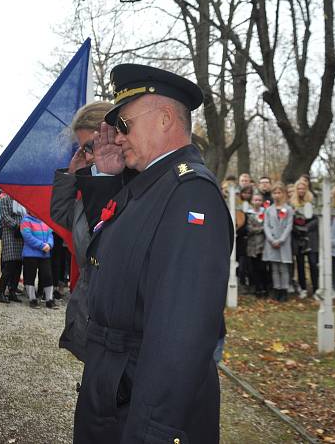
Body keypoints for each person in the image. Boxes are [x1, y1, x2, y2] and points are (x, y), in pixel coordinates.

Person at [72, 64, 232, 443]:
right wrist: (108, 176)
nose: (117, 137)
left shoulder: (189, 193)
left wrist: (153, 432)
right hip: (115, 386)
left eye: (124, 124)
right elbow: (108, 252)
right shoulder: (149, 184)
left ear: (164, 119)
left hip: (139, 401)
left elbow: (181, 335)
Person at [51, 100, 114, 361]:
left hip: (113, 322)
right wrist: (71, 176)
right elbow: (62, 215)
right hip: (90, 313)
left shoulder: (133, 188)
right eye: (81, 148)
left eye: (90, 146)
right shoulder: (86, 190)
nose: (87, 156)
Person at [262, 183, 295, 301]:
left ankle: (284, 290)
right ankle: (276, 289)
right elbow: (266, 225)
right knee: (274, 267)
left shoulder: (289, 209)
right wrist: (271, 239)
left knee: (284, 267)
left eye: (279, 192)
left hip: (283, 242)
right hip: (271, 242)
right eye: (274, 193)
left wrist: (281, 240)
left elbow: (289, 226)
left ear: (284, 194)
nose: (277, 195)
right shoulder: (269, 210)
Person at [20, 214, 57, 308]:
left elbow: (50, 234)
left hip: (45, 254)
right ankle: (32, 299)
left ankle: (49, 300)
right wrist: (42, 246)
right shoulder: (25, 220)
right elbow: (27, 236)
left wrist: (49, 244)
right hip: (30, 254)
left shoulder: (44, 219)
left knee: (48, 275)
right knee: (30, 276)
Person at [290, 178, 318, 299]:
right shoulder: (292, 202)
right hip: (297, 236)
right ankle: (303, 288)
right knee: (300, 264)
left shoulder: (313, 202)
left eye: (303, 188)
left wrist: (306, 228)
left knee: (313, 263)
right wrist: (297, 228)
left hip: (311, 236)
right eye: (299, 188)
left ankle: (316, 288)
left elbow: (316, 219)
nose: (301, 190)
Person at [0, 192, 25, 303]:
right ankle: (0, 293)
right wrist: (17, 225)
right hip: (9, 233)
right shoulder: (5, 200)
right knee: (9, 264)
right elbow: (5, 217)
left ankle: (12, 291)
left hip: (21, 234)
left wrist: (25, 227)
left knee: (18, 264)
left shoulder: (22, 200)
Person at [246, 193, 270, 297]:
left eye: (259, 200)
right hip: (252, 245)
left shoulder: (266, 213)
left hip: (264, 245)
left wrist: (262, 229)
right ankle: (257, 288)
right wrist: (261, 229)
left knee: (263, 268)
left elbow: (268, 226)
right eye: (255, 200)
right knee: (254, 268)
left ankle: (265, 288)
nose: (257, 202)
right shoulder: (248, 214)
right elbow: (249, 229)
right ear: (252, 201)